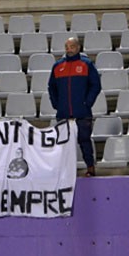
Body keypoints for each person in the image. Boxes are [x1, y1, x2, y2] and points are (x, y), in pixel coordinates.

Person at [48, 37, 102, 177]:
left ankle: (90, 167)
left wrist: (87, 102)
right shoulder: (58, 66)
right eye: (66, 46)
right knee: (63, 143)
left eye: (71, 46)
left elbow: (96, 85)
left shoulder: (86, 64)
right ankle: (64, 171)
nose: (68, 49)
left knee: (84, 140)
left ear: (78, 47)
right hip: (63, 112)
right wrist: (56, 104)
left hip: (82, 112)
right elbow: (51, 87)